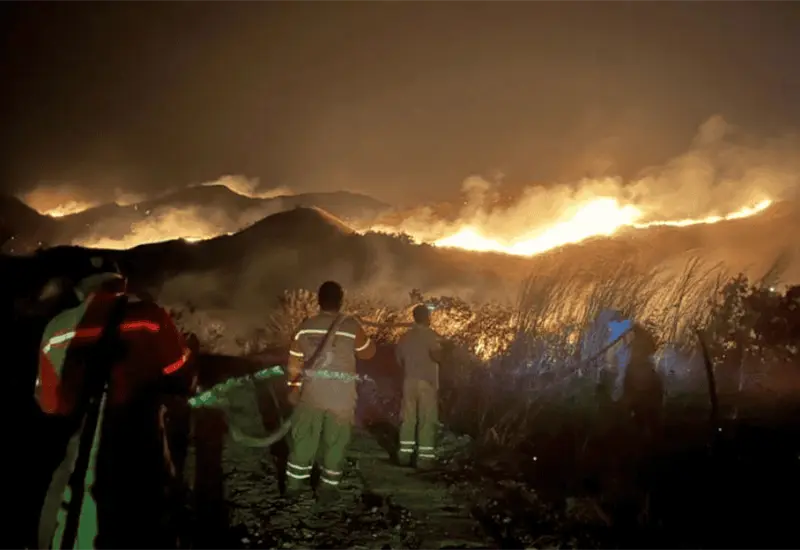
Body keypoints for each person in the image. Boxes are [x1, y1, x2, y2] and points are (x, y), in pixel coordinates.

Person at [35, 256, 196, 550]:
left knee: (75, 523)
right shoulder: (150, 316)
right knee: (153, 520)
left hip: (82, 451)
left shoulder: (57, 329)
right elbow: (180, 372)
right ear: (121, 283)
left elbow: (49, 404)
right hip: (144, 441)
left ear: (79, 289)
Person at [284, 280, 376, 500]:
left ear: (319, 301)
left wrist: (294, 388)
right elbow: (368, 353)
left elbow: (294, 363)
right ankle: (327, 488)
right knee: (336, 441)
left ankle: (294, 486)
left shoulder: (305, 327)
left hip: (312, 393)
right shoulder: (351, 326)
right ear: (341, 301)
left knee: (304, 437)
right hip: (341, 396)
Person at [394, 304, 443, 469]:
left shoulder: (405, 337)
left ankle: (404, 455)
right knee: (426, 419)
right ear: (427, 317)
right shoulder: (432, 336)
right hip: (426, 382)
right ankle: (424, 458)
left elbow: (399, 360)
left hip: (408, 381)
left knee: (408, 418)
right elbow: (437, 356)